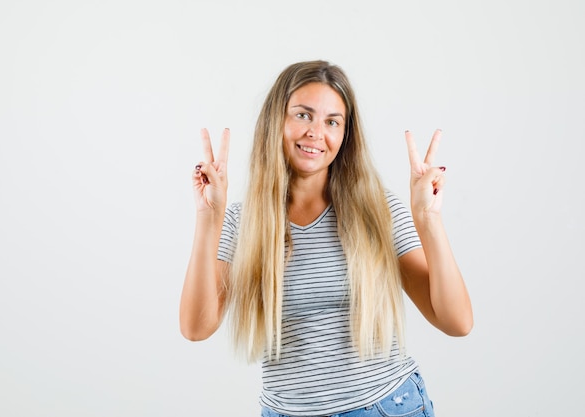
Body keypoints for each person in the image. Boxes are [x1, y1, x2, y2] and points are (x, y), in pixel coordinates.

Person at [179, 60, 473, 417]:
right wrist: (209, 218)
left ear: (345, 135)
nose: (316, 133)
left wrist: (428, 220)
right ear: (277, 121)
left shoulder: (376, 209)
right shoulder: (243, 222)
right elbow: (195, 327)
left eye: (332, 121)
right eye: (303, 115)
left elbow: (457, 322)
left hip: (385, 406)